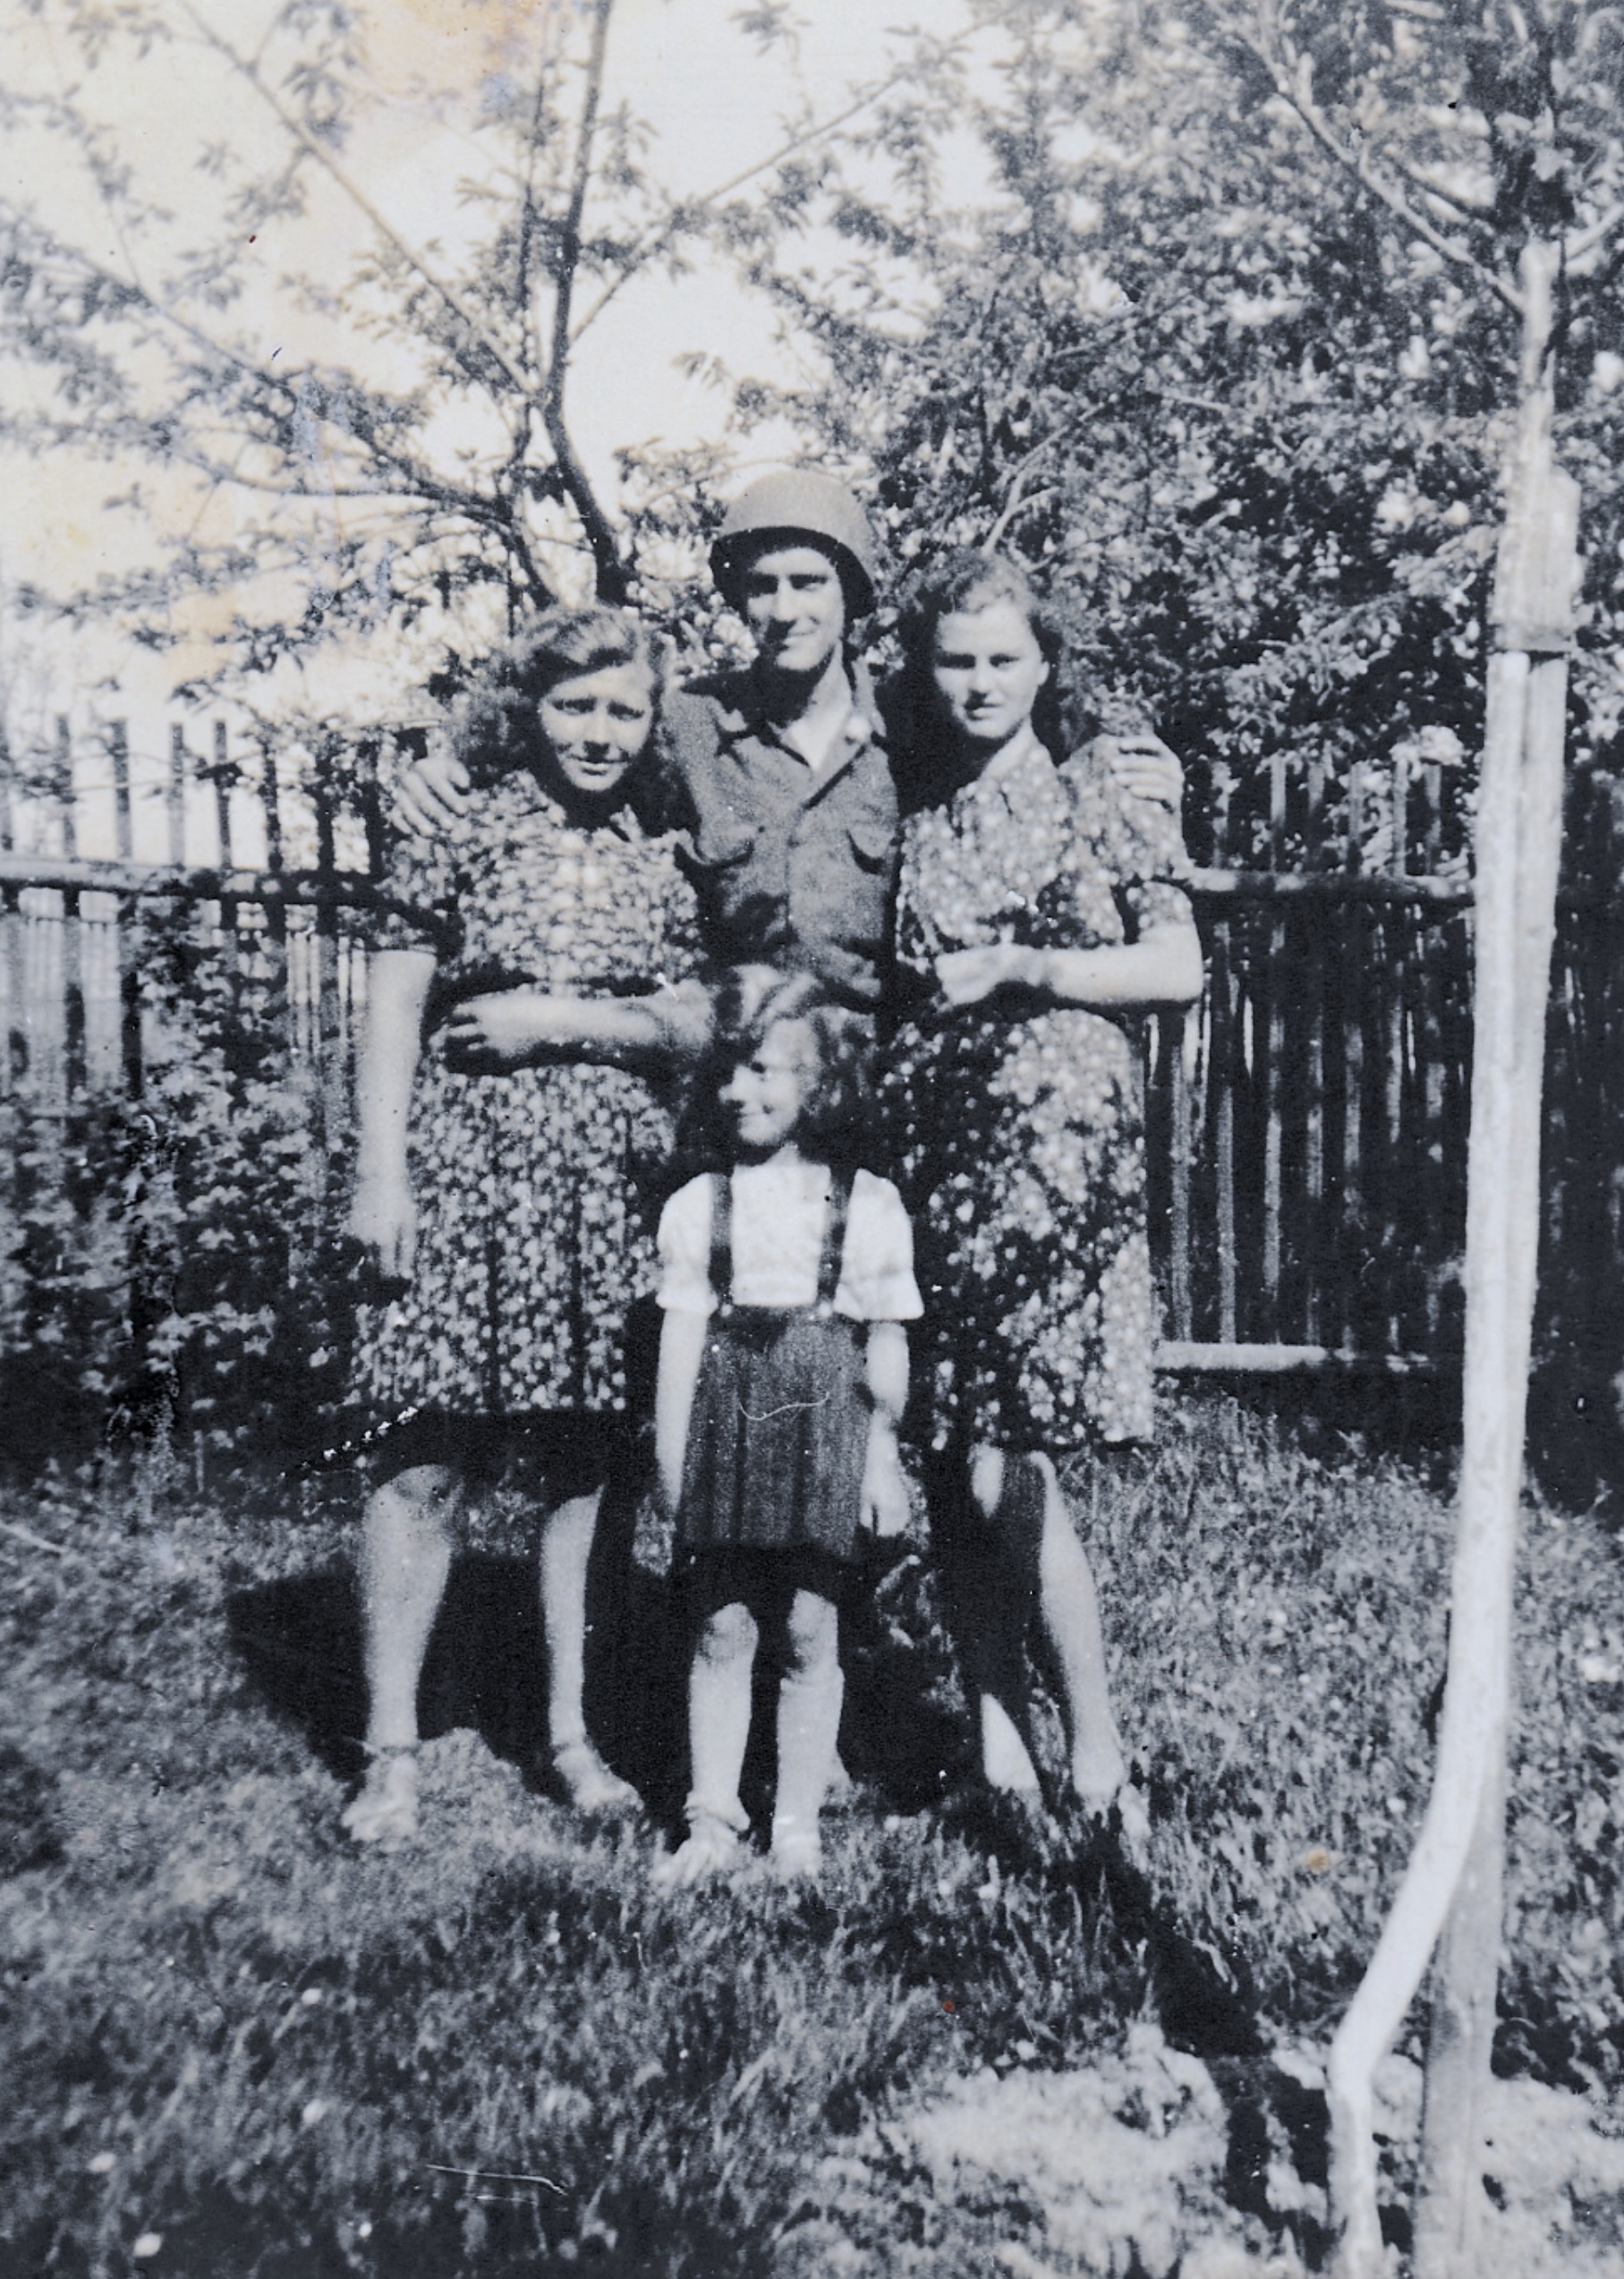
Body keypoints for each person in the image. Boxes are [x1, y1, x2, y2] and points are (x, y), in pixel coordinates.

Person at [343, 604, 710, 1849]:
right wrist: (380, 1174)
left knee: (585, 1465)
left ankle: (570, 1734)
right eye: (574, 705)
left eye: (624, 710)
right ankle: (390, 1750)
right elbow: (395, 998)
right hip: (463, 1170)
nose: (599, 733)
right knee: (422, 1457)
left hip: (612, 1185)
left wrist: (569, 1023)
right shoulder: (459, 819)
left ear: (653, 722)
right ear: (528, 708)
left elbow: (702, 1013)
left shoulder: (669, 844)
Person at [882, 548, 1203, 1839]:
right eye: (955, 660)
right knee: (950, 1450)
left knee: (1003, 1462)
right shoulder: (917, 806)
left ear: (1044, 665)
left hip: (1054, 1150)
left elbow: (1174, 969)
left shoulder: (1103, 791)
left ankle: (1098, 1757)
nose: (977, 683)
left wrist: (1026, 966)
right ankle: (999, 1746)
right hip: (936, 1149)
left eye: (1002, 659)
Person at [650, 970, 920, 1885]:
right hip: (726, 1422)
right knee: (721, 1624)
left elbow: (884, 1343)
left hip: (824, 1421)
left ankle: (796, 1826)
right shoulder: (700, 1205)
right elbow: (680, 1342)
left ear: (821, 1082)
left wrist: (881, 1455)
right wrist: (670, 1457)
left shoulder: (866, 1203)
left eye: (763, 1070)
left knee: (810, 1625)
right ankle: (711, 1820)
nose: (739, 1091)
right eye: (727, 1071)